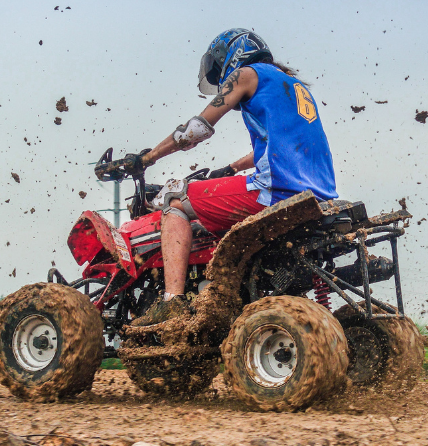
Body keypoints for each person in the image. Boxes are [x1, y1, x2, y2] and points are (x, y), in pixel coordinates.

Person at [128, 28, 338, 325]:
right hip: (318, 192)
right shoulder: (291, 85)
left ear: (232, 56)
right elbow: (281, 145)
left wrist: (147, 157)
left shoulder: (246, 75)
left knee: (175, 199)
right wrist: (232, 168)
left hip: (279, 191)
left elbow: (196, 129)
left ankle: (172, 301)